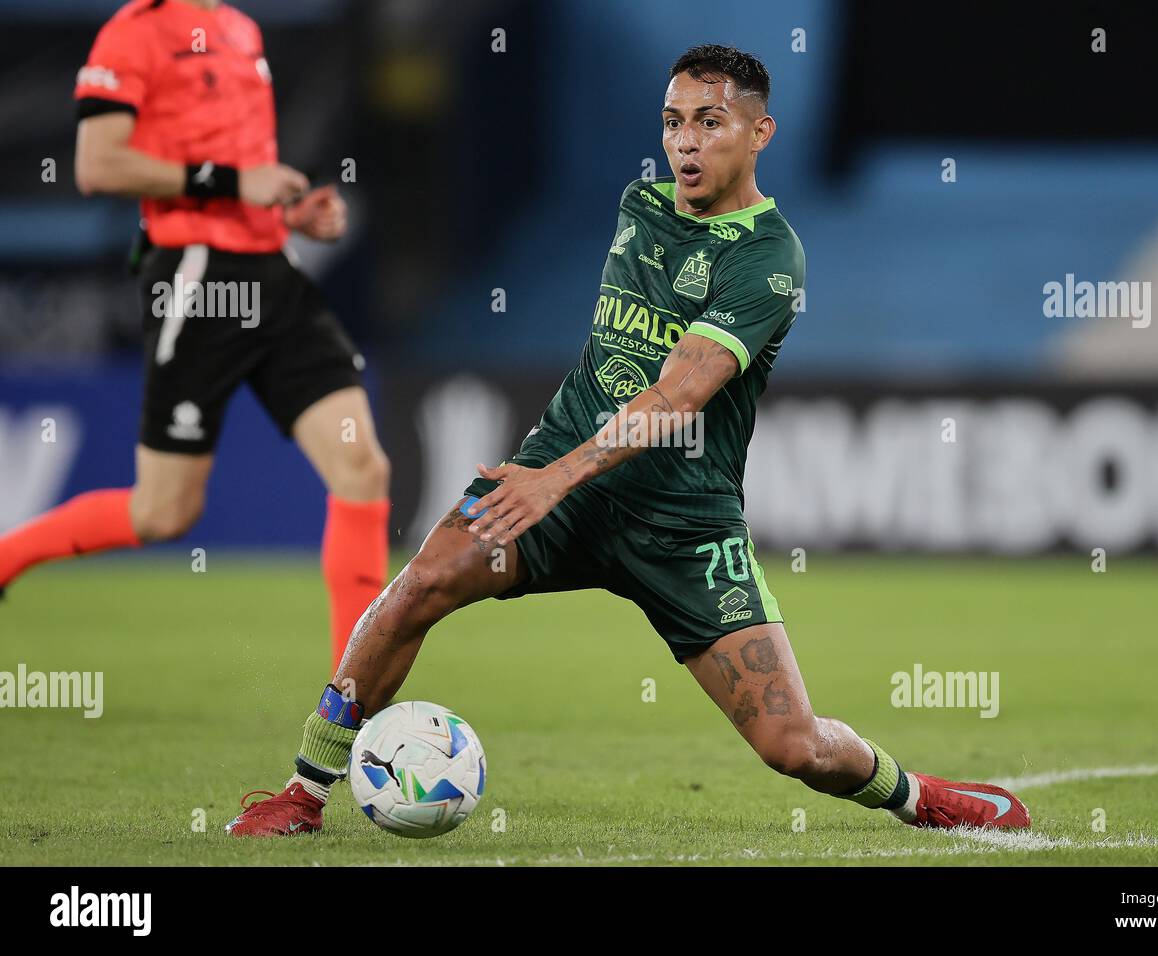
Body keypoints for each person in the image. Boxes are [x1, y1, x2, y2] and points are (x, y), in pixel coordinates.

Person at [226, 44, 1029, 836]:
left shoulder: (769, 260)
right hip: (561, 484)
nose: (684, 141)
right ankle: (302, 791)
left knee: (794, 747)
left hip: (683, 525)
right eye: (673, 122)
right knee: (420, 586)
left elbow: (678, 393)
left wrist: (555, 479)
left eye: (710, 122)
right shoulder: (639, 205)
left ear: (760, 134)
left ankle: (921, 797)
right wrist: (550, 475)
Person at [0, 0, 390, 667]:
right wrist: (238, 182)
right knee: (164, 513)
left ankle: (351, 703)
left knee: (363, 468)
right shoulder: (134, 33)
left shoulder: (240, 28)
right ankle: (8, 555)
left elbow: (239, 174)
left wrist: (291, 213)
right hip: (198, 280)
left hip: (274, 275)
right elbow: (98, 166)